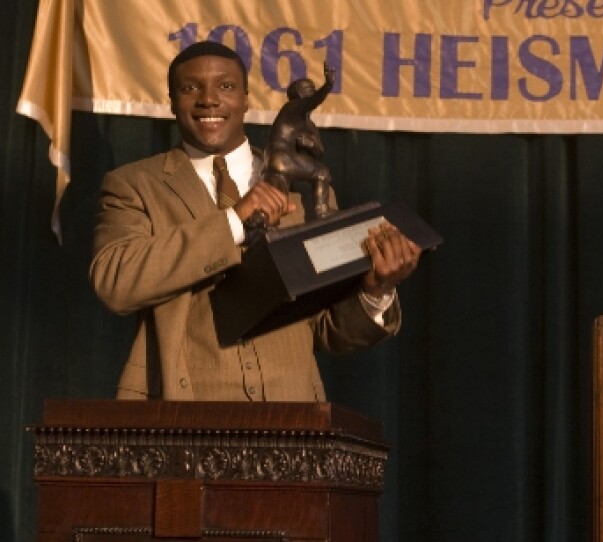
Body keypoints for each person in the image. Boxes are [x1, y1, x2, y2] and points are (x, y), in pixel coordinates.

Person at [89, 41, 421, 401]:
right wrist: (234, 221)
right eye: (190, 88)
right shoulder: (135, 184)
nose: (208, 99)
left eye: (225, 86)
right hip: (178, 413)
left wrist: (376, 290)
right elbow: (115, 281)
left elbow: (328, 329)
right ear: (171, 101)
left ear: (246, 99)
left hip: (293, 418)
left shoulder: (305, 193)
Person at [263, 62, 335, 219]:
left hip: (284, 162)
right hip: (281, 158)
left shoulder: (309, 125)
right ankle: (322, 210)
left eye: (313, 88)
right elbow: (313, 100)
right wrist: (328, 85)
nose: (312, 90)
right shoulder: (291, 107)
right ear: (298, 94)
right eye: (307, 88)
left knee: (277, 211)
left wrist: (311, 144)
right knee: (321, 173)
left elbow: (319, 153)